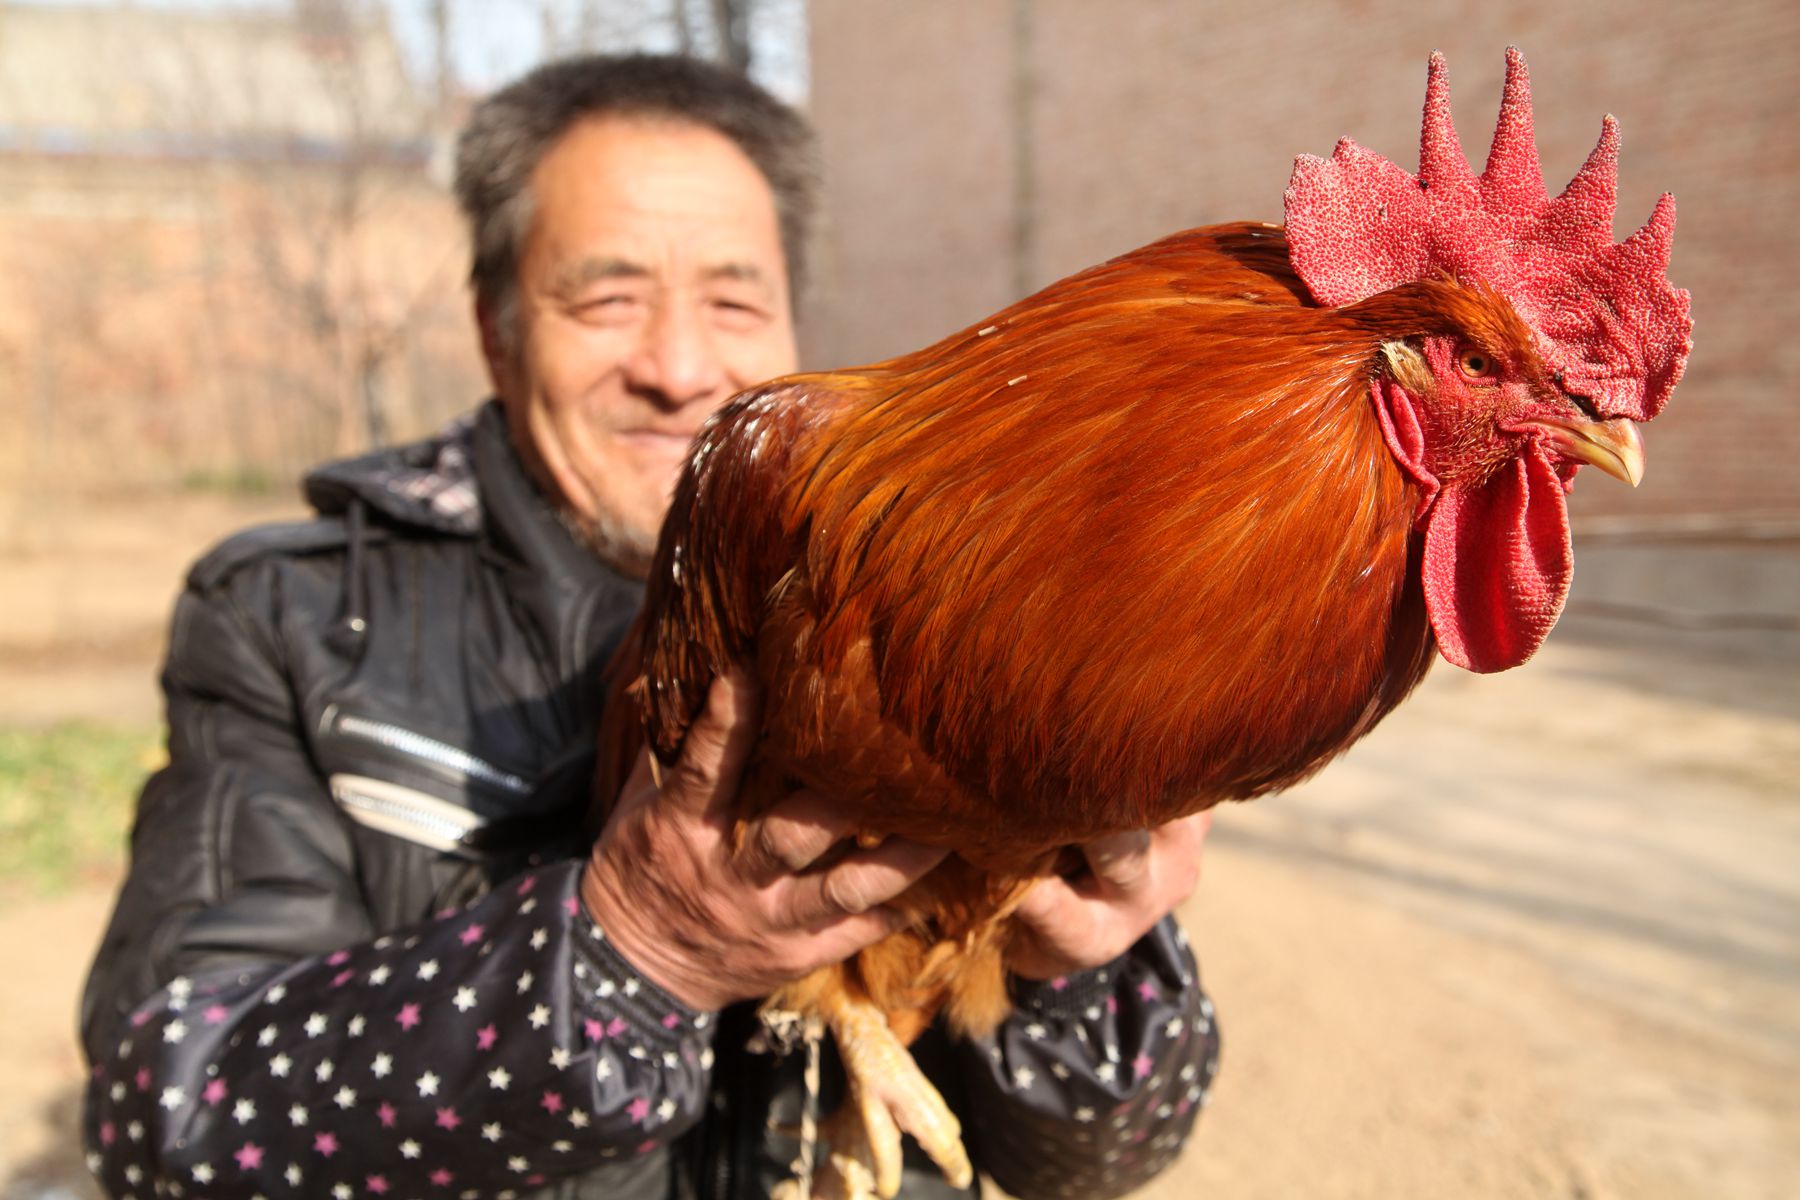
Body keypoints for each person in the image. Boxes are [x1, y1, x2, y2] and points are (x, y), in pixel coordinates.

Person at [79, 53, 1219, 1200]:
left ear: (793, 327)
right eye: (605, 299)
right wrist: (625, 954)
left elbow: (1101, 1161)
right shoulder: (300, 617)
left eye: (733, 302)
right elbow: (165, 1122)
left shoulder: (944, 607)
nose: (679, 369)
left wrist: (1077, 977)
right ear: (496, 330)